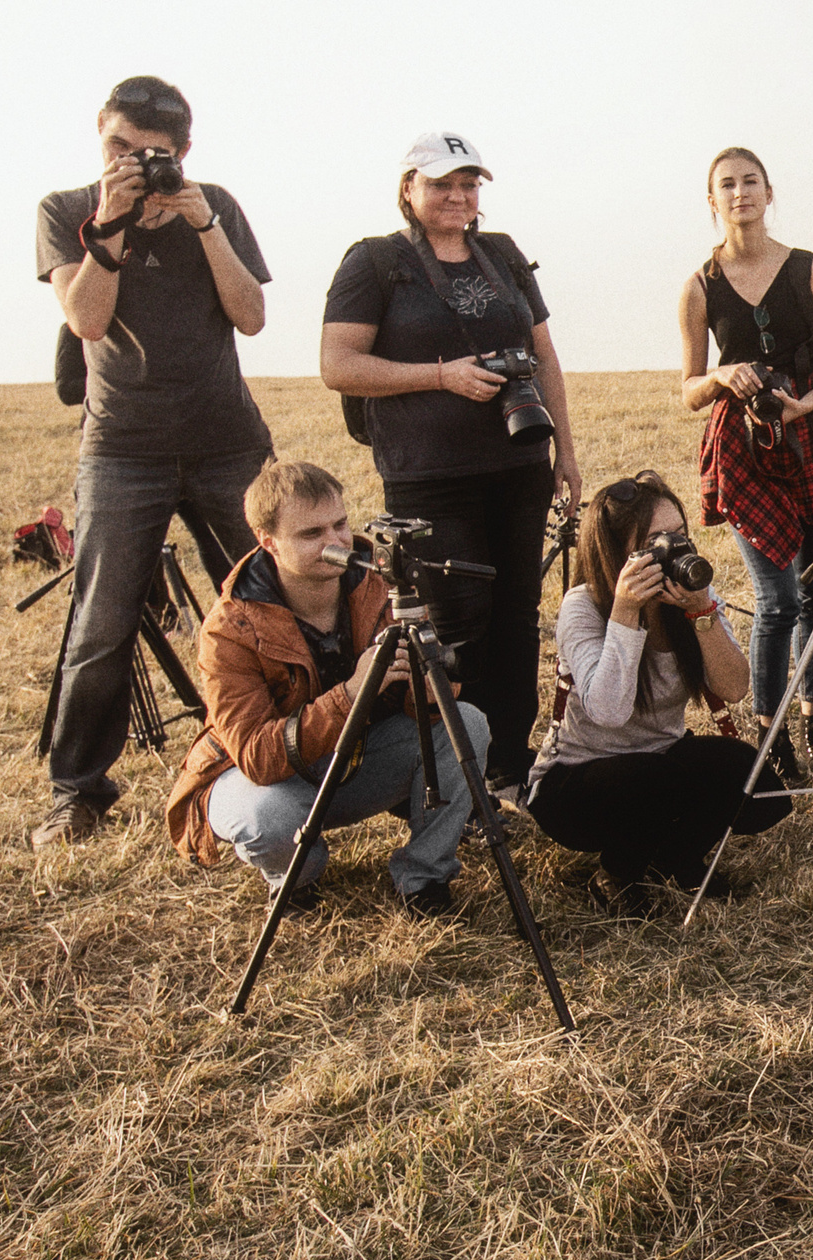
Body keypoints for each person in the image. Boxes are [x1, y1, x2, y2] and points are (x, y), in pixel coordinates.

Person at [32, 76, 274, 848]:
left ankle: (296, 747)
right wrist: (110, 223)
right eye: (119, 149)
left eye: (154, 155)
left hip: (224, 439)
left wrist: (203, 223)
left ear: (185, 152)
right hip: (123, 448)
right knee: (102, 624)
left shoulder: (218, 205)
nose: (136, 165)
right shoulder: (68, 211)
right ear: (99, 137)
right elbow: (88, 317)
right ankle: (77, 790)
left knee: (272, 597)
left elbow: (252, 316)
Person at [320, 132, 584, 798]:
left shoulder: (501, 254)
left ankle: (511, 763)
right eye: (441, 184)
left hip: (518, 462)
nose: (457, 197)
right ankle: (460, 768)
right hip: (429, 475)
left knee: (517, 615)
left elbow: (544, 354)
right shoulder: (375, 263)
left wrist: (566, 453)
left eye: (469, 185)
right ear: (408, 189)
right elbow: (339, 365)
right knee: (457, 623)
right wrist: (442, 376)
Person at [164, 462, 486, 917]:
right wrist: (354, 691)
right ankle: (298, 875)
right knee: (266, 820)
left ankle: (425, 877)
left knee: (468, 726)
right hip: (268, 781)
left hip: (353, 760)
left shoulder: (381, 584)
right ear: (268, 541)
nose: (335, 543)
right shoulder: (228, 628)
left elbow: (432, 712)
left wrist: (426, 678)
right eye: (311, 533)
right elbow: (256, 756)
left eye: (340, 524)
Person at [678, 146, 813, 782]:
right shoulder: (699, 285)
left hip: (805, 437)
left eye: (749, 182)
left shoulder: (808, 269)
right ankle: (769, 732)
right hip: (741, 448)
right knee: (777, 598)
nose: (739, 194)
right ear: (712, 200)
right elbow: (688, 389)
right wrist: (723, 374)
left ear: (768, 191)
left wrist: (800, 406)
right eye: (725, 185)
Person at [523, 473, 789, 910]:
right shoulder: (583, 606)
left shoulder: (693, 594)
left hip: (662, 759)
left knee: (753, 779)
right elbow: (608, 711)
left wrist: (701, 611)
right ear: (616, 553)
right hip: (577, 779)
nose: (674, 552)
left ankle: (674, 857)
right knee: (652, 782)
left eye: (680, 536)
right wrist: (627, 611)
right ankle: (617, 874)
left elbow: (734, 687)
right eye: (656, 542)